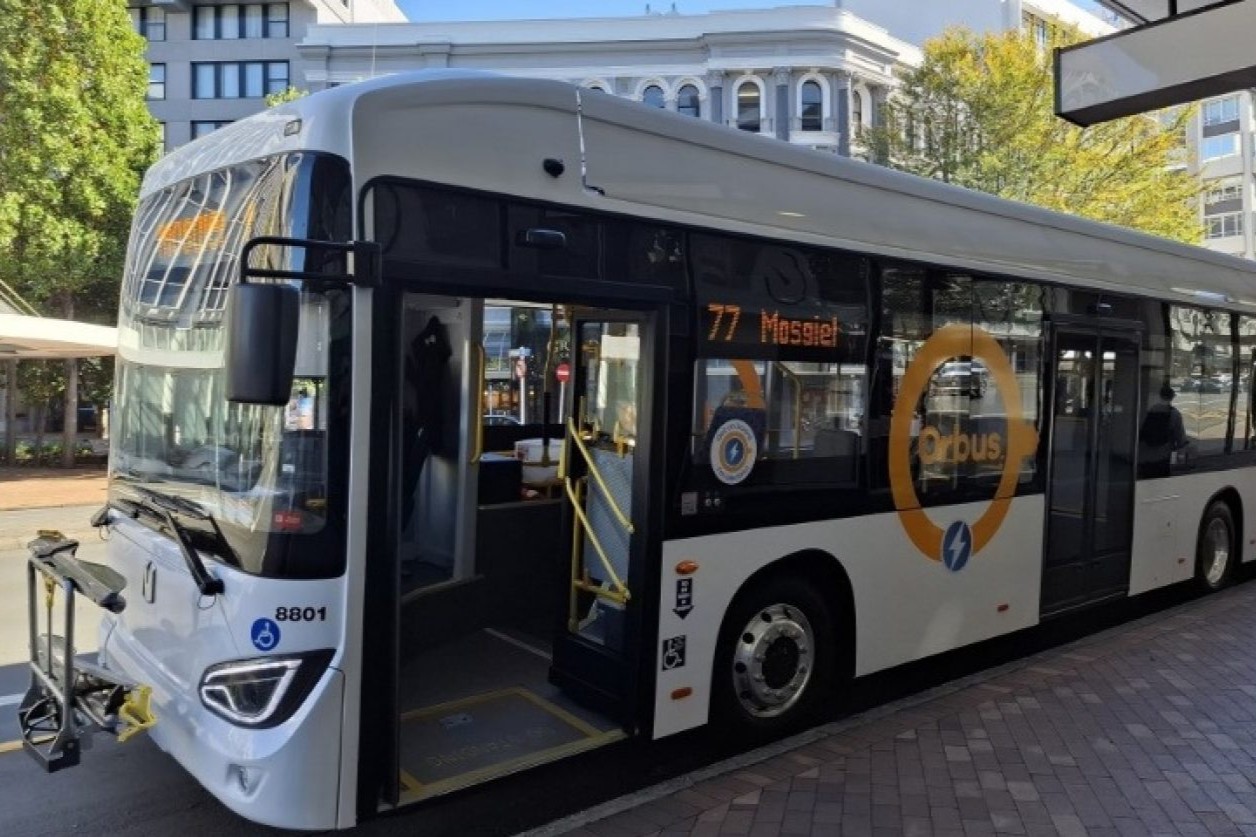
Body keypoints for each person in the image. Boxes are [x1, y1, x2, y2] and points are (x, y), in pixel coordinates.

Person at [1139, 383, 1188, 477]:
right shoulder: (1174, 413)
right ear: (1172, 397)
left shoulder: (1150, 410)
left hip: (1145, 453)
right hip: (1163, 452)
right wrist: (1181, 449)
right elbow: (1179, 435)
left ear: (1160, 396)